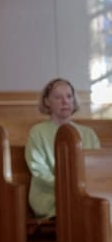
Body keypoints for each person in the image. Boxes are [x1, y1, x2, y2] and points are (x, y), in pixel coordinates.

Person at [25, 78, 100, 218]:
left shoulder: (88, 133)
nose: (65, 101)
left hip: (85, 192)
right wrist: (69, 188)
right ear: (47, 101)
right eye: (58, 97)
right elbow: (39, 171)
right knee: (82, 205)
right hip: (49, 194)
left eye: (69, 96)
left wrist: (81, 188)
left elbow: (96, 169)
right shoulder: (37, 132)